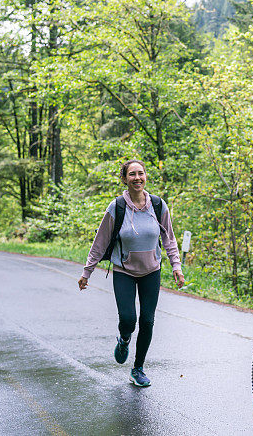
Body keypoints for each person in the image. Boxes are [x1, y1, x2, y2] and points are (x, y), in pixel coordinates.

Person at [78, 159, 185, 387]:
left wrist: (176, 266)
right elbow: (100, 241)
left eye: (141, 173)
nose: (137, 178)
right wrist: (87, 272)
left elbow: (169, 238)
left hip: (151, 271)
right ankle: (124, 338)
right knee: (128, 319)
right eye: (132, 174)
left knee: (147, 320)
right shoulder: (117, 207)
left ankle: (138, 368)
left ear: (146, 176)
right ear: (124, 179)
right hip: (124, 271)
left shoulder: (158, 205)